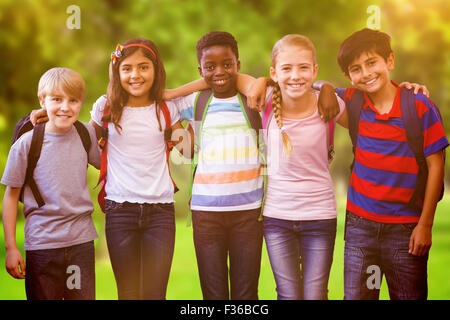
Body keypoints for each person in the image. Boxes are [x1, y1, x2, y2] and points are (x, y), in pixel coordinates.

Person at [171, 31, 340, 300]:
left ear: (238, 65)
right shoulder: (196, 101)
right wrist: (172, 106)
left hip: (249, 213)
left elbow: (272, 84)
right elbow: (162, 106)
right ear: (200, 70)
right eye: (209, 67)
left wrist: (326, 86)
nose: (219, 72)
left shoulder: (254, 100)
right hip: (205, 212)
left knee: (246, 293)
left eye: (227, 64)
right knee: (212, 293)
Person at [29, 38, 199, 299]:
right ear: (117, 72)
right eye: (127, 68)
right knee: (127, 293)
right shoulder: (106, 107)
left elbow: (188, 151)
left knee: (155, 294)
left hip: (160, 213)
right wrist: (51, 114)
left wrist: (181, 107)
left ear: (156, 70)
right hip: (120, 211)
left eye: (144, 67)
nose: (135, 75)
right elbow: (80, 141)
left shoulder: (166, 108)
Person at [335, 28, 448, 300]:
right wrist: (325, 87)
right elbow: (305, 89)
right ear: (349, 76)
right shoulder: (352, 102)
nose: (366, 73)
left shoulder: (419, 106)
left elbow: (436, 167)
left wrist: (425, 226)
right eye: (356, 68)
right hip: (360, 230)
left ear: (390, 61)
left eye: (372, 62)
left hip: (406, 232)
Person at [241, 34, 347, 300]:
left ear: (314, 70)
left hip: (320, 217)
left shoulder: (331, 105)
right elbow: (225, 77)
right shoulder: (265, 100)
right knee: (287, 295)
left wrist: (326, 87)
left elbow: (371, 105)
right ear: (274, 73)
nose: (295, 75)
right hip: (277, 218)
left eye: (303, 67)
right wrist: (260, 82)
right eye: (286, 68)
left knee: (315, 294)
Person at [2, 67, 101, 300]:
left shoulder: (85, 134)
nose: (65, 107)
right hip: (42, 247)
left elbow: (110, 164)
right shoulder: (27, 144)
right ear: (42, 101)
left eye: (73, 100)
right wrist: (11, 247)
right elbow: (10, 196)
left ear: (81, 102)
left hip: (81, 244)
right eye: (57, 99)